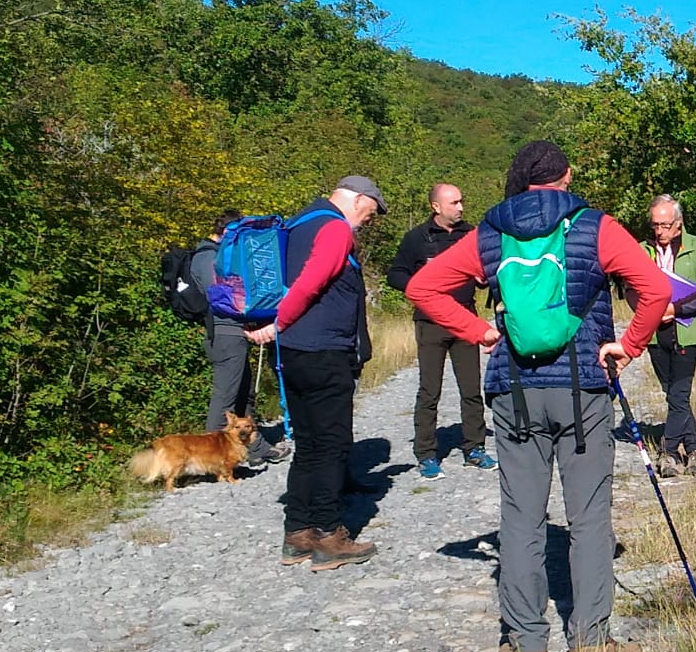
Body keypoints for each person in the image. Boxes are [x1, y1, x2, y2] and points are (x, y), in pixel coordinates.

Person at [408, 140, 669, 652]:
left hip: (514, 388)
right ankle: (592, 644)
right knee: (589, 514)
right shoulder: (595, 227)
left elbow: (423, 287)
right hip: (583, 390)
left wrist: (479, 331)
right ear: (566, 176)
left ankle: (527, 645)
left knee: (521, 517)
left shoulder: (489, 234)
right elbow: (655, 288)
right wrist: (629, 346)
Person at [245, 175, 388, 572]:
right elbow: (311, 282)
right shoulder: (334, 227)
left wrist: (278, 331)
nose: (368, 221)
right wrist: (280, 322)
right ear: (358, 199)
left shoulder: (298, 223)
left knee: (308, 442)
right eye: (370, 212)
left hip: (293, 352)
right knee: (332, 443)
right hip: (323, 349)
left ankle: (297, 535)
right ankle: (328, 535)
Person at [386, 183, 494, 480]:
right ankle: (426, 454)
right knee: (429, 389)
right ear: (436, 207)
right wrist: (420, 287)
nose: (460, 207)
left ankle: (475, 448)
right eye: (454, 203)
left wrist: (483, 278)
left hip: (465, 319)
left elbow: (489, 270)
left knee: (471, 388)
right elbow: (395, 273)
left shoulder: (473, 235)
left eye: (462, 201)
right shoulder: (416, 239)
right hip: (430, 322)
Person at [192, 210, 289, 470]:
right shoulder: (207, 257)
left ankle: (256, 449)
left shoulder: (215, 254)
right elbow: (220, 297)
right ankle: (210, 457)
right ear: (225, 232)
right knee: (225, 398)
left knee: (244, 395)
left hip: (232, 334)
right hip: (224, 335)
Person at [641, 194, 696, 477]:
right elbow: (629, 288)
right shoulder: (641, 250)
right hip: (654, 335)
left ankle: (669, 452)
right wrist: (650, 311)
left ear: (678, 223)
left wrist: (677, 308)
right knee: (674, 396)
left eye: (664, 225)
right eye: (655, 225)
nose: (659, 231)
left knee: (679, 393)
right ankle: (695, 448)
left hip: (688, 331)